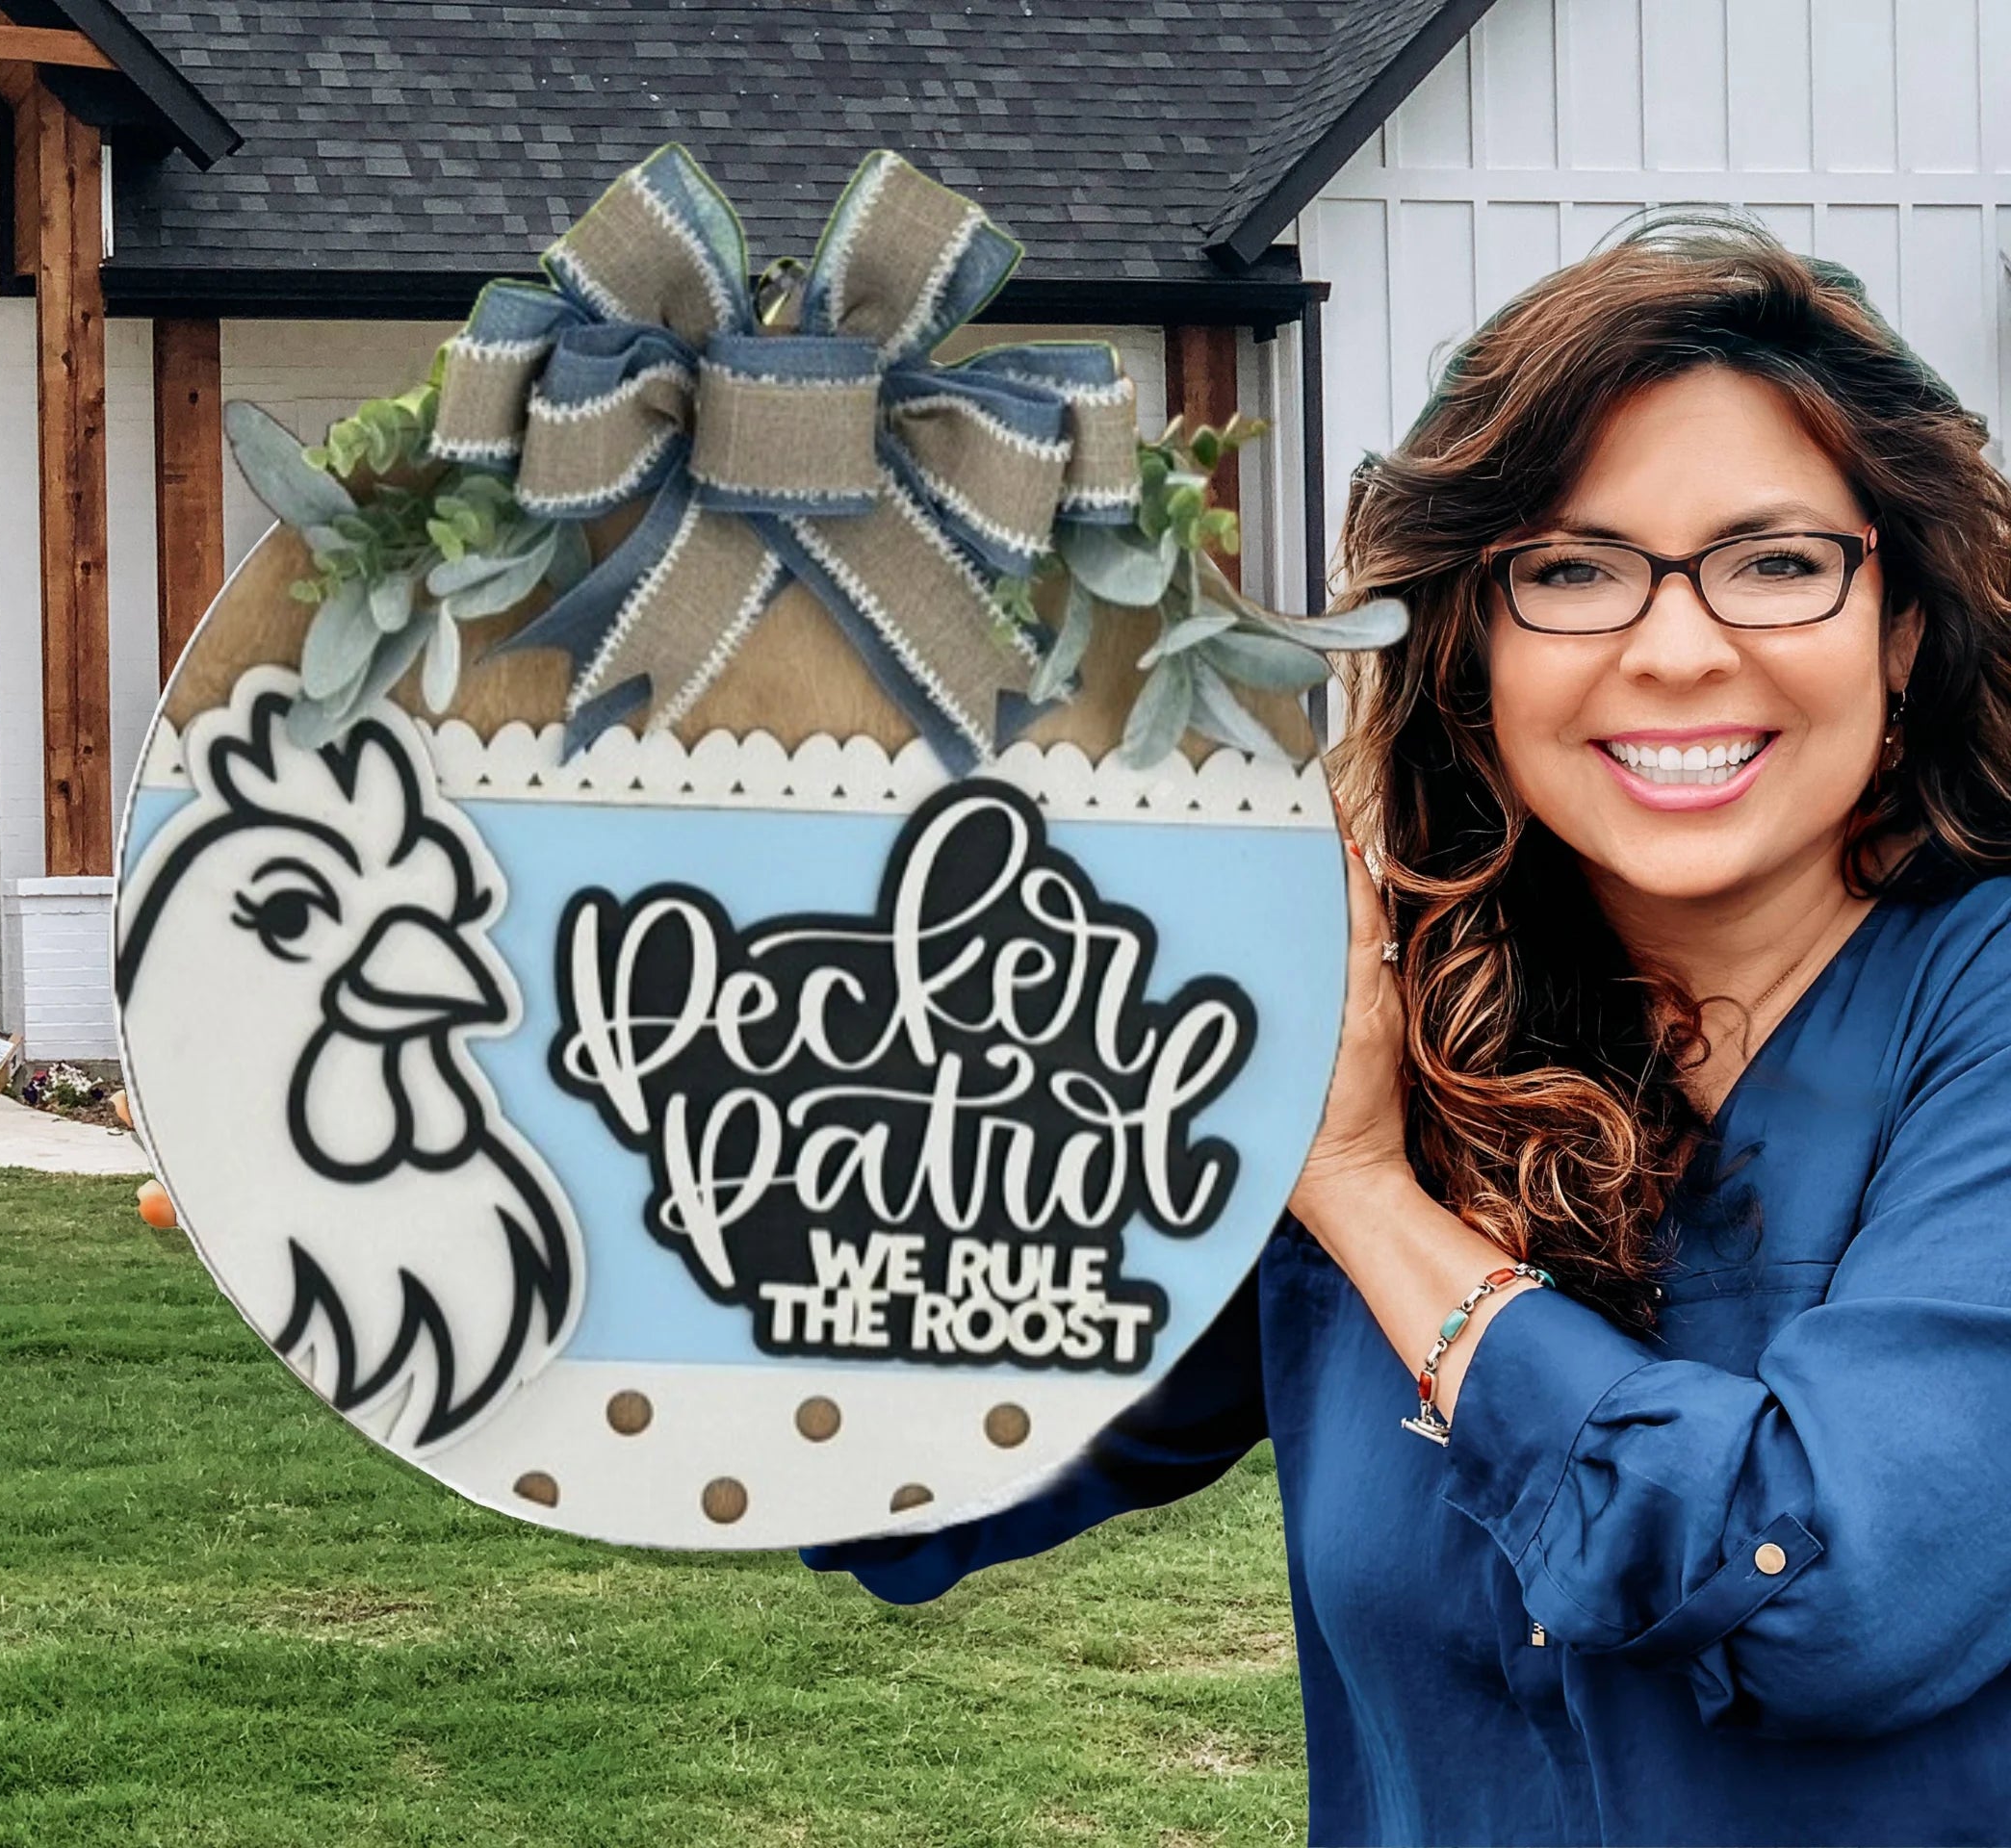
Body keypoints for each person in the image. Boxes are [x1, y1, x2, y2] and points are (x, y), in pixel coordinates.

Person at [805, 218, 2011, 1846]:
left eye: (1777, 562)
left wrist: (1370, 1196)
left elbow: (1833, 1591)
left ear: (1905, 623)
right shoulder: (1383, 1009)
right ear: (1471, 645)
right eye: (1572, 570)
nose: (1674, 647)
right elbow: (934, 1443)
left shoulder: (1975, 1012)